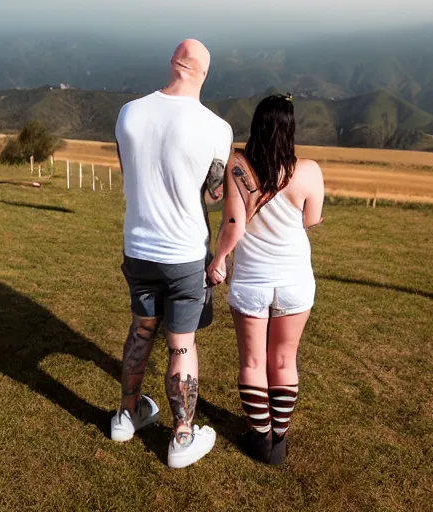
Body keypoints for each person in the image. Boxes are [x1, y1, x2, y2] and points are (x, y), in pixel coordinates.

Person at [112, 39, 233, 469]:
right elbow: (214, 195)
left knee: (142, 330)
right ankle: (182, 434)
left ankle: (127, 415)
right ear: (203, 73)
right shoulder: (217, 128)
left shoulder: (129, 113)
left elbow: (130, 174)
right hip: (184, 252)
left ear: (172, 64)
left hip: (138, 246)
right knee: (182, 346)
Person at [207, 94, 324, 465]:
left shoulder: (238, 166)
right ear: (290, 130)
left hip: (252, 279)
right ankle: (279, 441)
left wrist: (219, 259)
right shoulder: (309, 171)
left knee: (253, 362)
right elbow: (310, 221)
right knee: (285, 359)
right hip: (295, 279)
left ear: (257, 124)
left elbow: (232, 223)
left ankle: (259, 437)